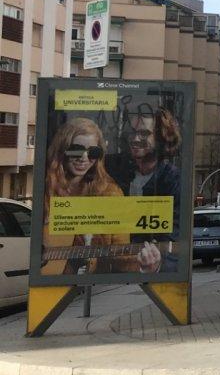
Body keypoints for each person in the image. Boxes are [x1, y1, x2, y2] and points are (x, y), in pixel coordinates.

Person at [41, 118, 160, 275]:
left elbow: (121, 254)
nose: (84, 158)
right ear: (61, 150)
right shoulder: (44, 188)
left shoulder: (110, 194)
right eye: (76, 150)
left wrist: (145, 266)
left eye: (93, 152)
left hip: (96, 286)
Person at [113, 103, 183, 273]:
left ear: (161, 137)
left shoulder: (173, 180)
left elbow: (175, 240)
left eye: (144, 133)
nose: (135, 139)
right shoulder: (116, 171)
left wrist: (158, 264)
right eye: (132, 133)